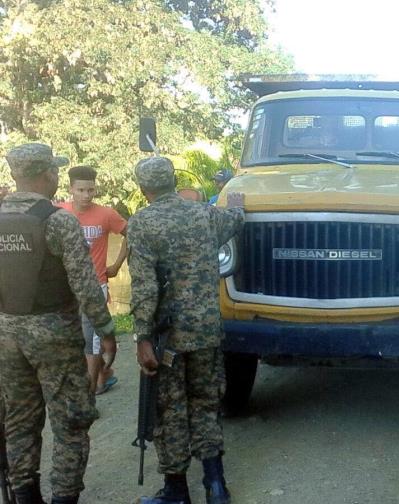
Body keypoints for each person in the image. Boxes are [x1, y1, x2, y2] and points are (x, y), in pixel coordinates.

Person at [0, 143, 116, 503]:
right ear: (47, 174)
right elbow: (85, 285)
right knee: (71, 422)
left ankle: (25, 495)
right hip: (54, 336)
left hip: (6, 336)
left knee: (19, 420)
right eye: (54, 170)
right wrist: (106, 330)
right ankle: (64, 497)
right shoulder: (58, 220)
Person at [129, 157, 244, 504]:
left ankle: (176, 491)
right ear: (173, 181)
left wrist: (142, 337)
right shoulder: (204, 214)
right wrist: (235, 198)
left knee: (170, 410)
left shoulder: (142, 223)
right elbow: (236, 219)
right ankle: (216, 485)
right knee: (207, 403)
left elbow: (145, 287)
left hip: (168, 338)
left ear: (143, 189)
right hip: (207, 331)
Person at [58, 165, 128, 396]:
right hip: (66, 286)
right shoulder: (59, 212)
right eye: (81, 190)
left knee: (92, 339)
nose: (86, 195)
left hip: (96, 284)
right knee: (71, 336)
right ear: (71, 189)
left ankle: (92, 388)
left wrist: (116, 265)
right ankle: (102, 374)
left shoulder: (106, 214)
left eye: (90, 190)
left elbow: (131, 234)